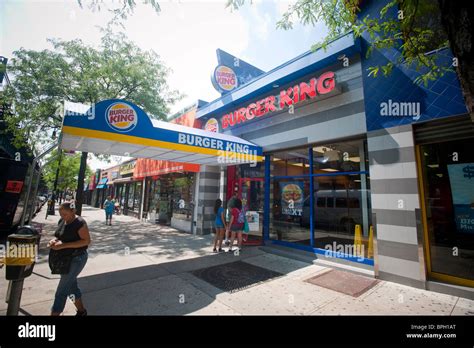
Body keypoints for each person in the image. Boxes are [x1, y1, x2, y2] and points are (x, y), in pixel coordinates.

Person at [48, 202, 91, 316]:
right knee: (71, 287)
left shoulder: (80, 223)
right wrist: (54, 240)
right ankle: (82, 311)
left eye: (65, 214)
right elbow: (59, 235)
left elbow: (86, 241)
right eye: (60, 214)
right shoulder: (62, 221)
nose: (63, 216)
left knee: (61, 291)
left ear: (73, 212)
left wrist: (63, 245)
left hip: (77, 258)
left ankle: (55, 313)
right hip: (64, 259)